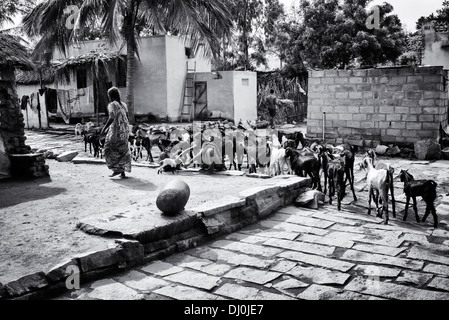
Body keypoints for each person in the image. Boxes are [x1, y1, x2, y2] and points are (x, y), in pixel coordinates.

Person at [100, 87, 132, 178]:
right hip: (124, 131)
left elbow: (112, 117)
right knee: (123, 150)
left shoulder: (112, 105)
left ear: (110, 96)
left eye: (108, 95)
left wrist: (104, 128)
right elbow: (127, 117)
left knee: (108, 149)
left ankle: (116, 169)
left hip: (116, 130)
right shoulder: (124, 105)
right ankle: (122, 172)